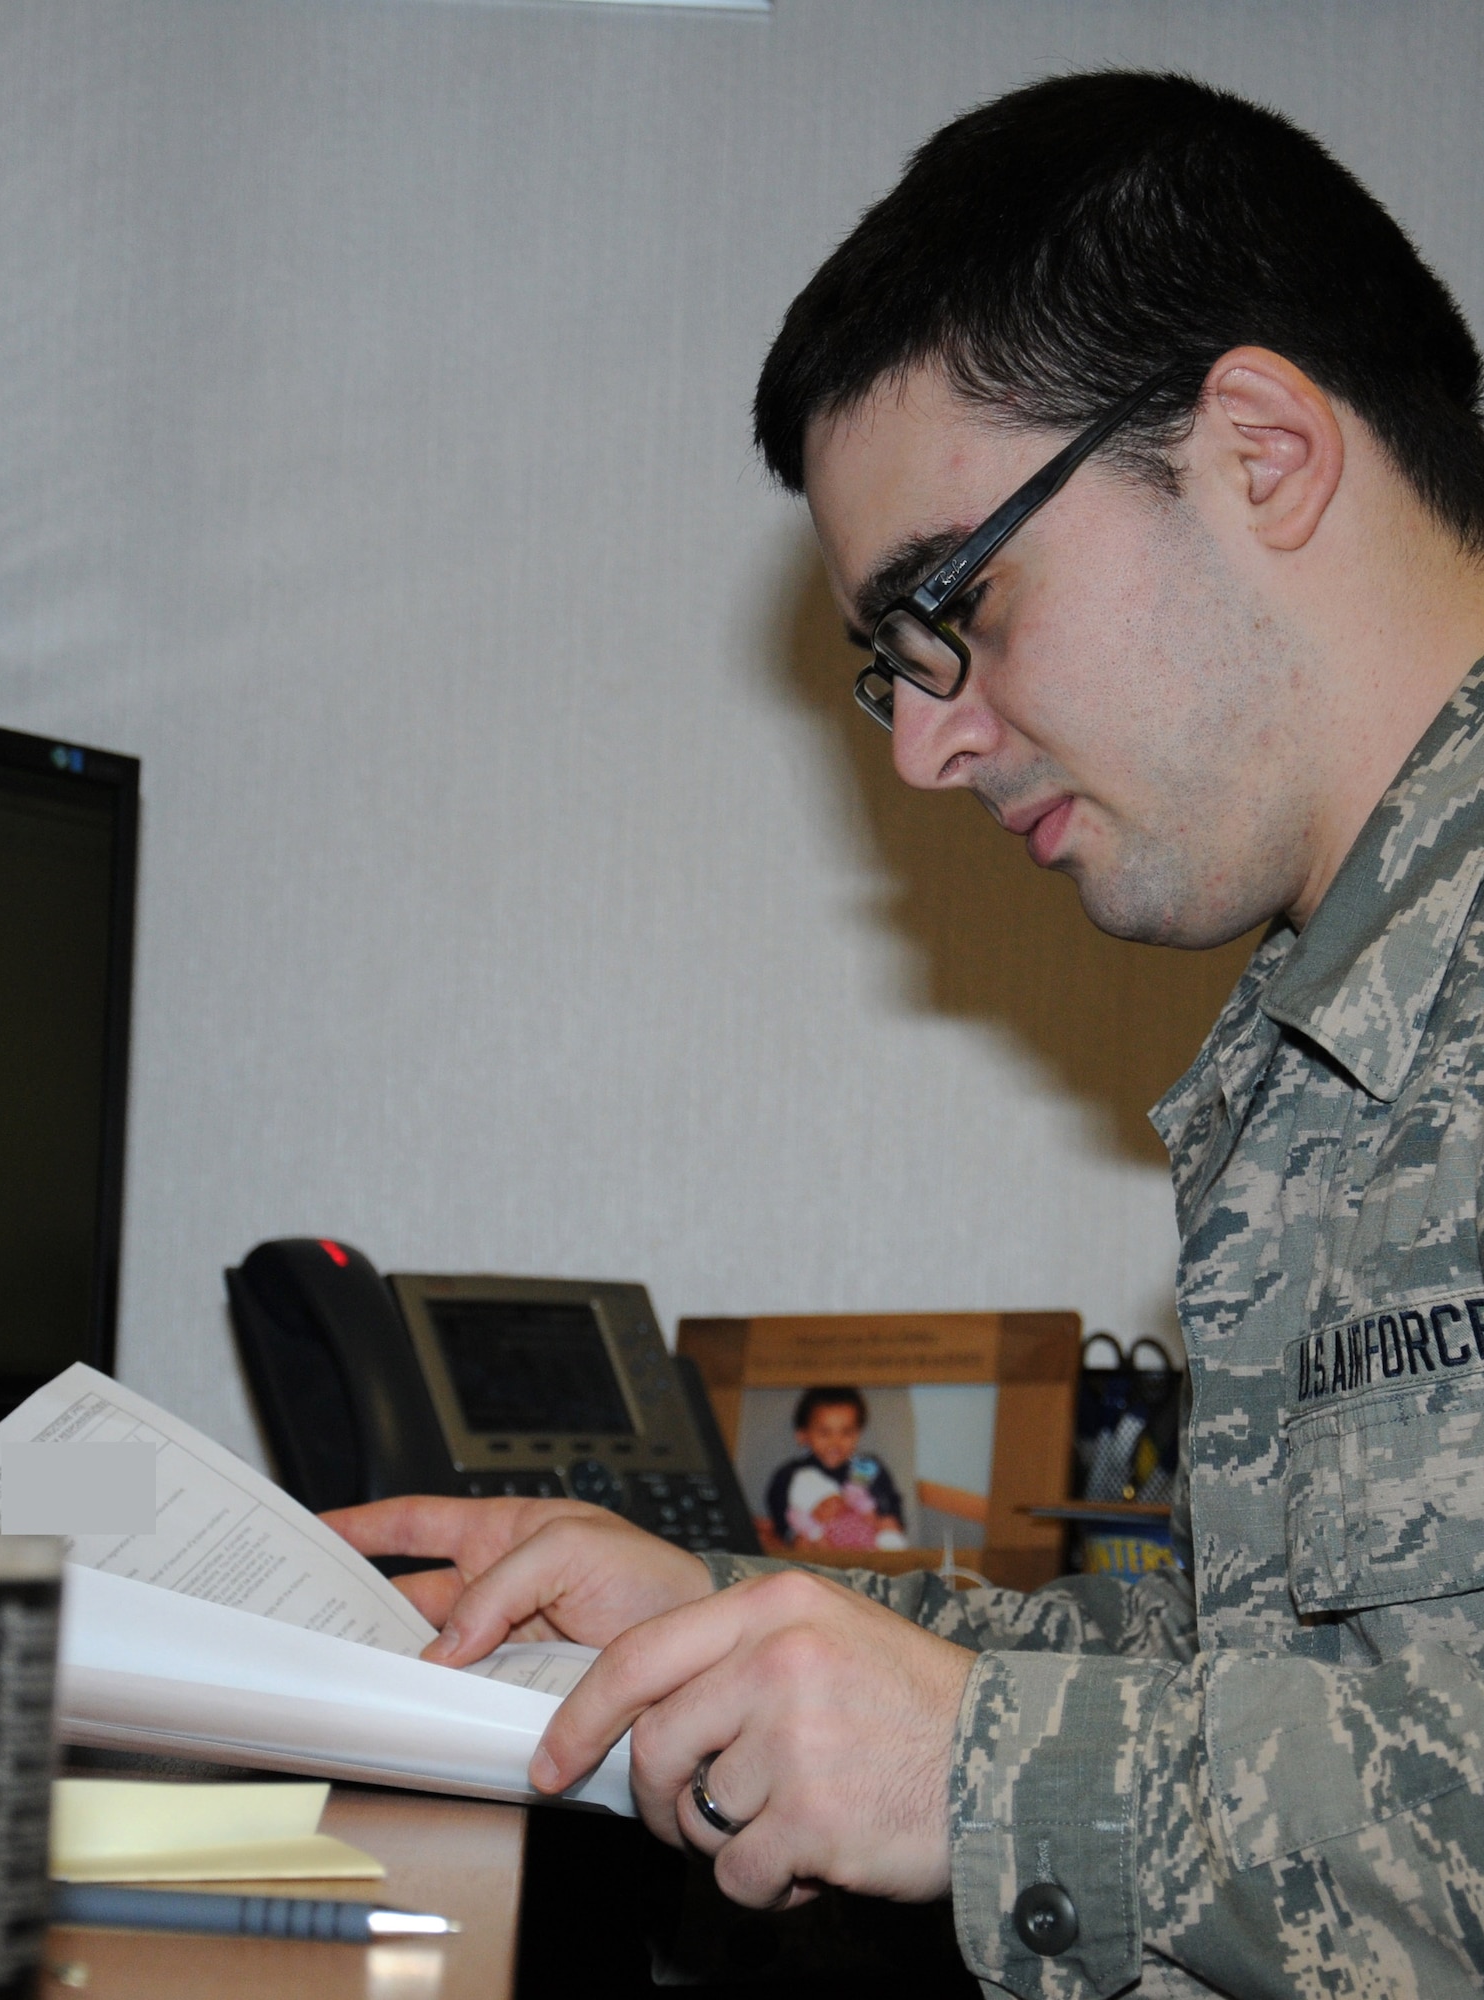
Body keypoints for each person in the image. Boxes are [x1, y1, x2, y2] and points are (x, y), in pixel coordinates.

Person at [327, 71, 1484, 1995]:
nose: (930, 747)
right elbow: (1299, 1711)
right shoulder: (1348, 1026)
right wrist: (725, 1621)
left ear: (1262, 453)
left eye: (957, 605)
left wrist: (975, 1772)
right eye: (896, 668)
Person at [765, 1387, 907, 1553]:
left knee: (890, 1526)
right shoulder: (792, 1473)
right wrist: (811, 1517)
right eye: (825, 1433)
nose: (835, 1442)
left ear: (858, 1434)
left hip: (866, 1544)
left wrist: (878, 1515)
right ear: (802, 1435)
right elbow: (781, 1513)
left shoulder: (864, 1467)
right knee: (800, 1542)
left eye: (846, 1432)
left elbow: (890, 1502)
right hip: (818, 1543)